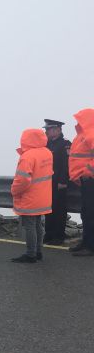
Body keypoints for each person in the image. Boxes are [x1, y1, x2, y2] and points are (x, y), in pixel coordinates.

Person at [10, 128, 53, 263]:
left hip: (30, 197)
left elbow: (22, 180)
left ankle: (30, 254)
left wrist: (14, 191)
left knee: (30, 226)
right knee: (38, 225)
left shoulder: (27, 156)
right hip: (43, 196)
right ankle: (38, 251)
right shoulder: (47, 152)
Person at [68, 108, 94, 256]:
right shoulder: (82, 135)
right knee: (86, 213)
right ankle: (85, 242)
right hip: (84, 181)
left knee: (90, 213)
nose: (78, 121)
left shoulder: (91, 133)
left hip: (90, 180)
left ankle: (90, 246)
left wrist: (87, 172)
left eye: (80, 119)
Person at [43, 120, 70, 245]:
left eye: (48, 129)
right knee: (49, 209)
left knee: (59, 210)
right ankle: (49, 235)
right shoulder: (47, 144)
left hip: (59, 182)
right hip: (47, 182)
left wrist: (63, 181)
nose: (46, 131)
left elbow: (67, 164)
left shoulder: (65, 144)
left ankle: (59, 236)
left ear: (57, 130)